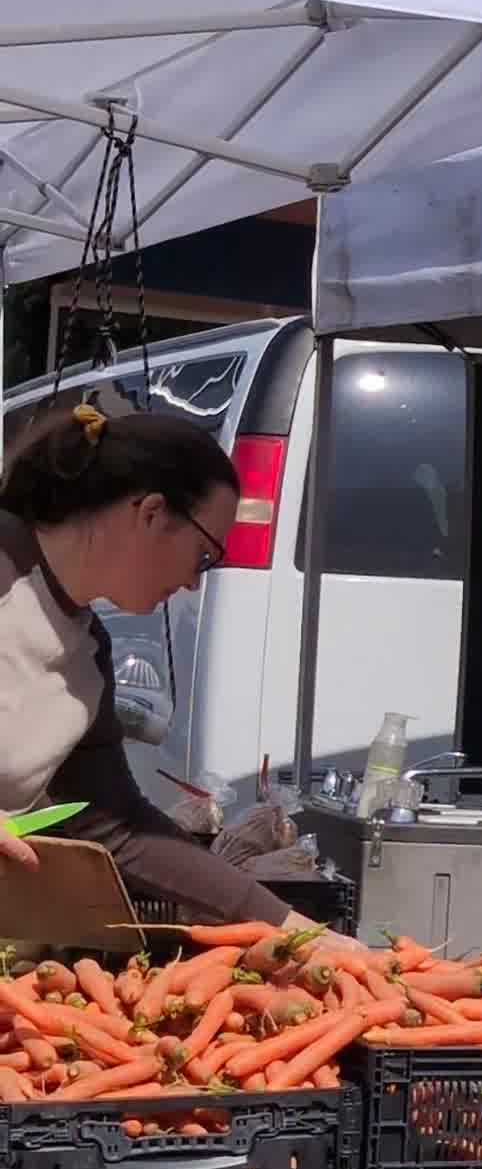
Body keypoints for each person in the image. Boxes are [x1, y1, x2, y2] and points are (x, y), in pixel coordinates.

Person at [0, 390, 282, 918]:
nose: (195, 584)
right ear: (151, 513)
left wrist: (284, 923)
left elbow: (116, 826)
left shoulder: (86, 655)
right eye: (204, 556)